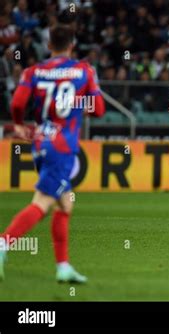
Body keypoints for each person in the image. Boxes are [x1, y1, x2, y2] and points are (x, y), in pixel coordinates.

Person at [0, 24, 105, 282]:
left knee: (65, 203)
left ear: (48, 46)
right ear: (72, 45)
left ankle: (63, 267)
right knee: (43, 202)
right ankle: (3, 244)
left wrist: (21, 125)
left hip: (41, 141)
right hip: (63, 145)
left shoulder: (34, 71)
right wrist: (76, 104)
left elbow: (17, 103)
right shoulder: (83, 71)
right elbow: (99, 109)